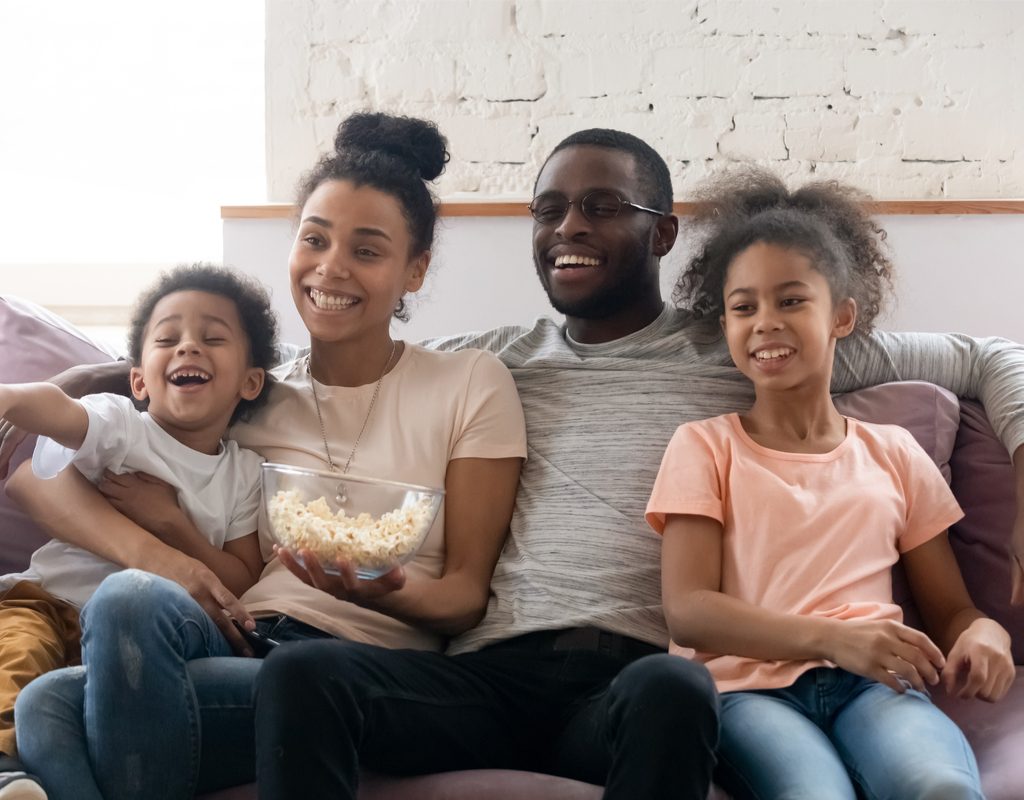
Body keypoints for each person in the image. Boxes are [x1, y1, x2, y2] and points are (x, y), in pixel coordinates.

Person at [7, 126, 1024, 798]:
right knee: (310, 672)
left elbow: (985, 356)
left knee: (678, 697)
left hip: (631, 673)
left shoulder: (740, 340)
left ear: (663, 233)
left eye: (599, 209)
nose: (567, 229)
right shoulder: (488, 357)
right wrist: (110, 381)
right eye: (547, 210)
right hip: (484, 671)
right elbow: (246, 380)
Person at [7, 113, 525, 800]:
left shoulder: (468, 381)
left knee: (64, 702)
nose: (330, 267)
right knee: (77, 661)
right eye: (314, 239)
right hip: (236, 637)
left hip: (355, 668)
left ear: (415, 270)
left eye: (367, 251)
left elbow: (464, 597)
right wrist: (166, 548)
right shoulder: (251, 386)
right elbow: (39, 479)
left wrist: (382, 588)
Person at [648, 170, 1015, 799]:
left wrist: (988, 632)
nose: (765, 322)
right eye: (744, 307)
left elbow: (952, 609)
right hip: (747, 696)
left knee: (940, 787)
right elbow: (689, 611)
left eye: (791, 301)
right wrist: (834, 639)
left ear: (842, 315)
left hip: (875, 689)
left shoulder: (894, 451)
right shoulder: (703, 445)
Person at [0, 263, 274, 800]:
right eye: (167, 339)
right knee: (17, 662)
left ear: (251, 381)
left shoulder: (244, 472)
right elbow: (63, 412)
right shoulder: (123, 428)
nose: (188, 348)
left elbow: (241, 578)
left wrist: (173, 524)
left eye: (212, 338)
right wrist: (9, 396)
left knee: (68, 711)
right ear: (139, 380)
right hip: (47, 601)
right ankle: (6, 771)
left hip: (136, 641)